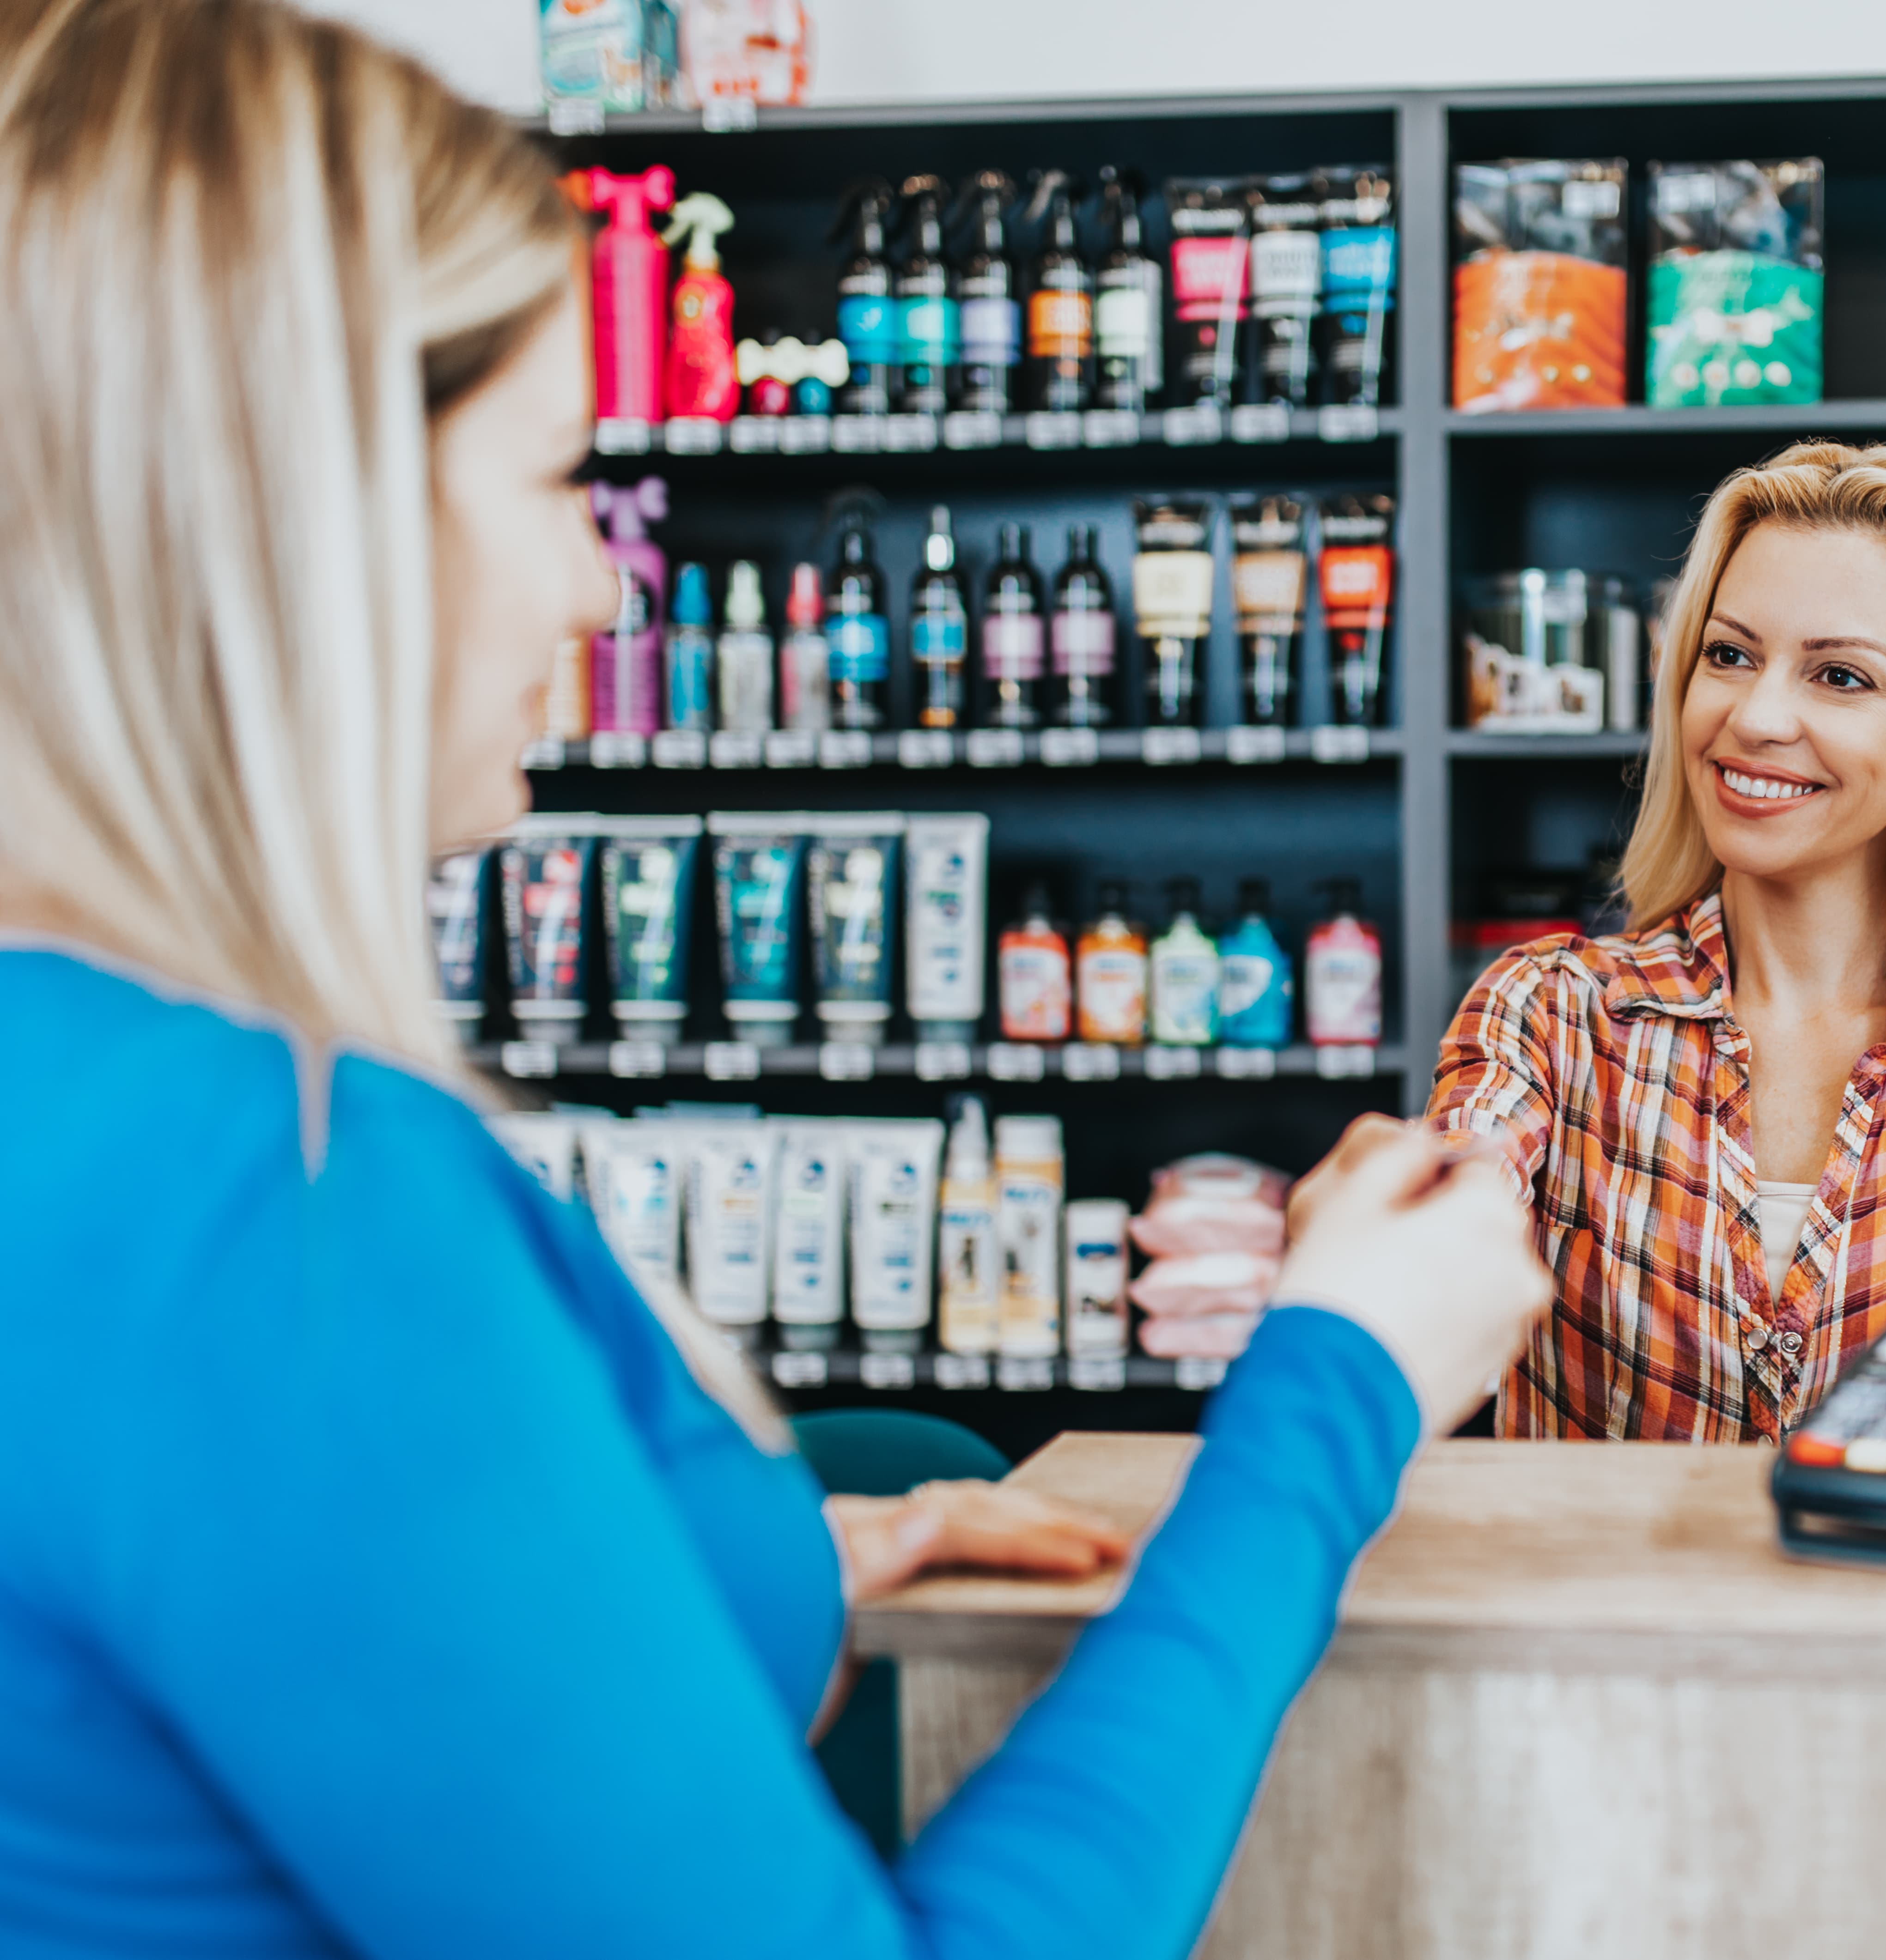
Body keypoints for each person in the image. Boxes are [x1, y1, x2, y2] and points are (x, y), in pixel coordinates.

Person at [0, 4, 1546, 1956]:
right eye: (560, 475)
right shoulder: (269, 1204)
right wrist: (1343, 1378)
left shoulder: (103, 1118)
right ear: (311, 516)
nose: (600, 586)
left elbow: (244, 1636)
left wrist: (750, 1565)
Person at [1302, 441, 1886, 1481]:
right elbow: (1460, 1198)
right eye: (1729, 655)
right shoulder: (1550, 1014)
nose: (1757, 717)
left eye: (1841, 675)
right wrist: (1391, 1230)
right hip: (1598, 1635)